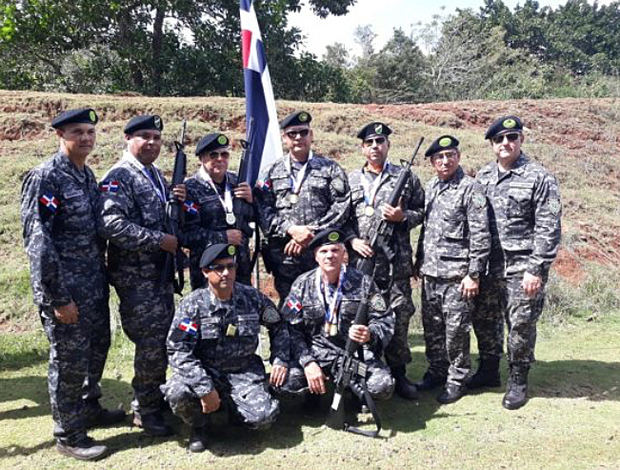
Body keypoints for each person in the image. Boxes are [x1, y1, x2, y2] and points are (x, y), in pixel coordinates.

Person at [20, 108, 125, 461]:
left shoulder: (86, 174)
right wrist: (57, 297)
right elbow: (39, 243)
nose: (85, 138)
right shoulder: (45, 177)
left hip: (92, 285)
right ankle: (69, 434)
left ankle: (89, 408)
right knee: (69, 361)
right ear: (60, 136)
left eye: (90, 132)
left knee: (96, 349)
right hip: (65, 291)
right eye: (77, 132)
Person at [99, 115, 186, 435]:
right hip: (136, 278)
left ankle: (155, 400)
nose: (152, 143)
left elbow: (161, 216)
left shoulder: (153, 175)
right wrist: (157, 240)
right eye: (144, 137)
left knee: (162, 342)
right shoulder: (119, 176)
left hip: (157, 275)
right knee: (150, 344)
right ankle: (145, 411)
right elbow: (110, 224)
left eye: (157, 138)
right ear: (128, 139)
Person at [161, 243, 289, 453]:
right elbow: (177, 349)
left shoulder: (252, 298)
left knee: (263, 418)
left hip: (243, 371)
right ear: (205, 272)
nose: (226, 273)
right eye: (218, 268)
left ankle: (231, 412)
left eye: (230, 266)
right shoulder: (192, 305)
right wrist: (204, 388)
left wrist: (280, 359)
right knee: (177, 392)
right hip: (206, 371)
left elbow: (279, 326)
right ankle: (200, 426)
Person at [471, 115, 562, 409]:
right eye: (499, 139)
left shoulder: (539, 177)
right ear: (492, 145)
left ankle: (518, 379)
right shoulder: (483, 177)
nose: (506, 143)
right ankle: (487, 371)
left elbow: (548, 227)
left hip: (522, 266)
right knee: (485, 321)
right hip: (488, 266)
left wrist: (536, 269)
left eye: (512, 137)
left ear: (521, 139)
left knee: (521, 324)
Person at [344, 122, 425, 400]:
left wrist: (403, 218)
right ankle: (365, 373)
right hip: (362, 267)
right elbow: (342, 220)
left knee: (399, 318)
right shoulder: (351, 179)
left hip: (396, 265)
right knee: (362, 318)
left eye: (380, 141)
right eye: (370, 142)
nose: (375, 146)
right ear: (363, 148)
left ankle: (399, 375)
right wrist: (353, 241)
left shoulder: (406, 177)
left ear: (388, 145)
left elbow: (421, 212)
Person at [413, 135, 491, 404]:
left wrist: (473, 274)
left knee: (456, 331)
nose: (444, 161)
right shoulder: (432, 186)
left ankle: (457, 379)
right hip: (431, 273)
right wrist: (418, 261)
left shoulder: (471, 188)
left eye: (450, 155)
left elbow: (481, 235)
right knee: (432, 328)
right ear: (433, 163)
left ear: (458, 157)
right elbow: (427, 230)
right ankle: (436, 371)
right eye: (439, 158)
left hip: (457, 276)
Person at [280, 229, 395, 403]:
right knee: (287, 381)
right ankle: (314, 393)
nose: (330, 256)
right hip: (317, 353)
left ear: (344, 254)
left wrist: (370, 334)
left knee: (382, 386)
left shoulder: (364, 283)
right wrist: (308, 362)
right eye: (324, 251)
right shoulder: (301, 285)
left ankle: (353, 391)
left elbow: (384, 318)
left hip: (354, 354)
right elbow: (291, 329)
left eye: (335, 250)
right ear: (316, 256)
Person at [255, 111, 351, 304]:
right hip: (285, 256)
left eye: (303, 132)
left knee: (324, 303)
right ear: (284, 138)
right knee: (289, 307)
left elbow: (341, 208)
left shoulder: (330, 169)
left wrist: (310, 234)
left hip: (321, 254)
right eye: (292, 134)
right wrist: (290, 229)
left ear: (311, 135)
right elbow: (262, 209)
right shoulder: (271, 172)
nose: (298, 137)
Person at [182, 132, 255, 289]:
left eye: (224, 154)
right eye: (213, 155)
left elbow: (253, 218)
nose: (220, 159)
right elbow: (186, 235)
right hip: (209, 270)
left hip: (239, 267)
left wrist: (251, 201)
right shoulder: (190, 189)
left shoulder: (237, 182)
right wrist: (221, 237)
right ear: (202, 158)